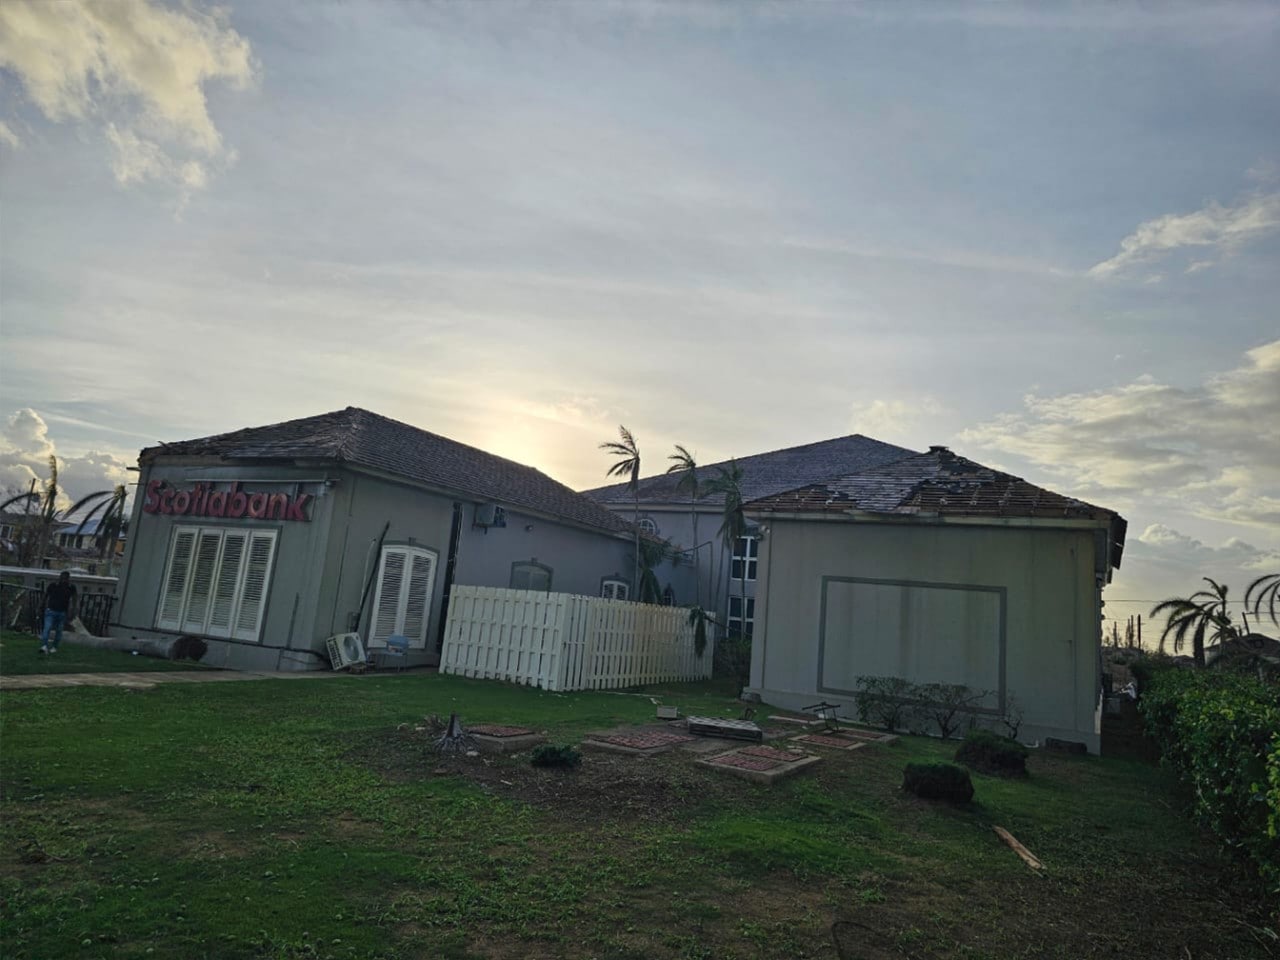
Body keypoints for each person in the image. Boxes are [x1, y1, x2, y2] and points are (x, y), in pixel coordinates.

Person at [40, 570, 78, 654]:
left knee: (59, 631)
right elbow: (45, 595)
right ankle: (44, 646)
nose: (64, 580)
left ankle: (54, 647)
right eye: (62, 578)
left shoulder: (71, 587)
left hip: (62, 612)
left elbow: (74, 598)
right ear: (60, 578)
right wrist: (41, 605)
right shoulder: (53, 585)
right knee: (47, 628)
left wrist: (73, 610)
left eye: (66, 578)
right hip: (51, 610)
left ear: (68, 579)